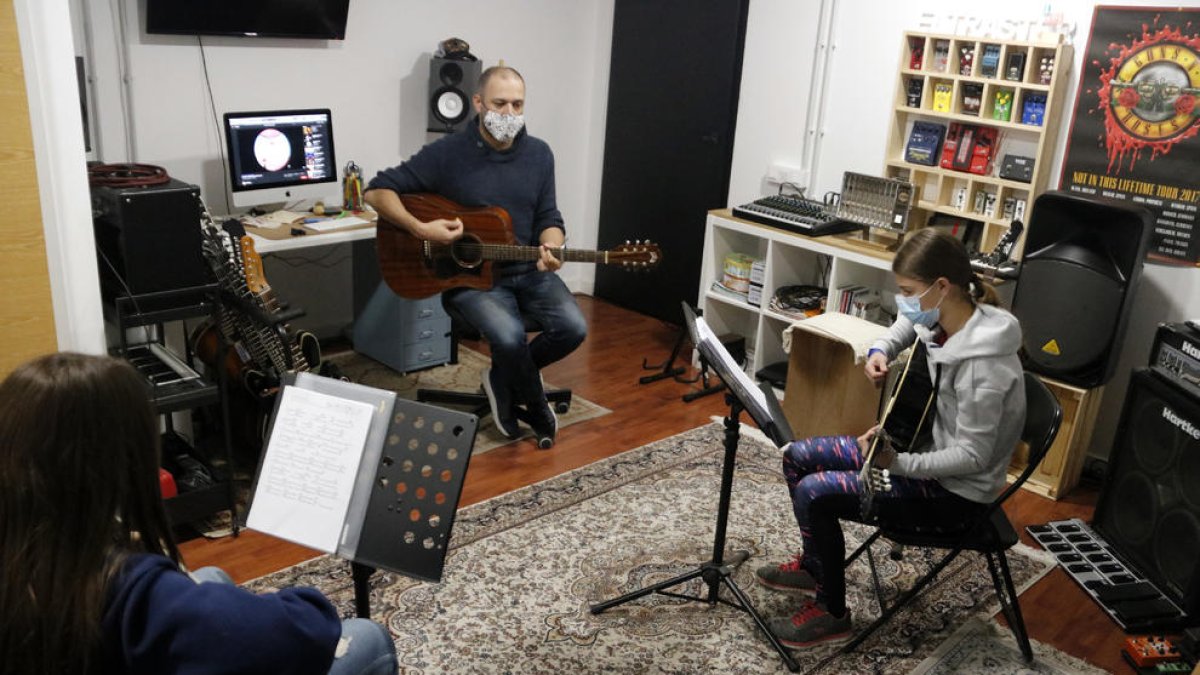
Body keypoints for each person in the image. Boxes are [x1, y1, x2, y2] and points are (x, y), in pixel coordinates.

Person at [0, 352, 397, 675]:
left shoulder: (28, 559)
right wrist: (283, 601)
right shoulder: (134, 590)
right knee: (367, 638)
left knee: (212, 578)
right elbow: (311, 629)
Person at [755, 228, 1027, 647]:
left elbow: (973, 456)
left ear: (941, 287)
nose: (903, 301)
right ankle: (814, 567)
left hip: (953, 494)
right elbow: (906, 324)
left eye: (908, 291)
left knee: (815, 492)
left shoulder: (984, 369)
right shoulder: (945, 316)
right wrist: (881, 349)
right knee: (797, 455)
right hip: (916, 451)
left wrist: (895, 463)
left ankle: (832, 612)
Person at [365, 65, 587, 449]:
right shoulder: (447, 154)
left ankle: (502, 379)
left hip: (529, 271)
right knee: (508, 334)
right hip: (469, 278)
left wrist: (554, 246)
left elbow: (549, 217)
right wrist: (420, 228)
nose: (509, 114)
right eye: (500, 104)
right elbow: (377, 192)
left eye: (518, 104)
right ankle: (534, 404)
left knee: (573, 328)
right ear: (478, 103)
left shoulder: (539, 154)